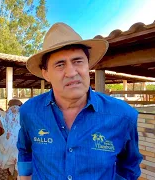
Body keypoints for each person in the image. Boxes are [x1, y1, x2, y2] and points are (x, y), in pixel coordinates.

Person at [17, 23, 143, 180]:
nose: (71, 72)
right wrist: (24, 177)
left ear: (88, 66)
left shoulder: (123, 116)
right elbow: (25, 150)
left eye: (78, 61)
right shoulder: (29, 111)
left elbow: (129, 166)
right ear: (46, 74)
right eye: (60, 64)